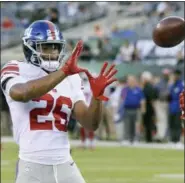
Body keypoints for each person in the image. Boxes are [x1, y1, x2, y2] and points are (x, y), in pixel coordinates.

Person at [1, 20, 117, 183]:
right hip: (31, 165)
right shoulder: (16, 68)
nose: (52, 52)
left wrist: (97, 98)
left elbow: (91, 124)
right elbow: (21, 93)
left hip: (65, 164)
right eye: (46, 47)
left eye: (55, 47)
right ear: (30, 47)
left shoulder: (71, 79)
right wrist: (64, 72)